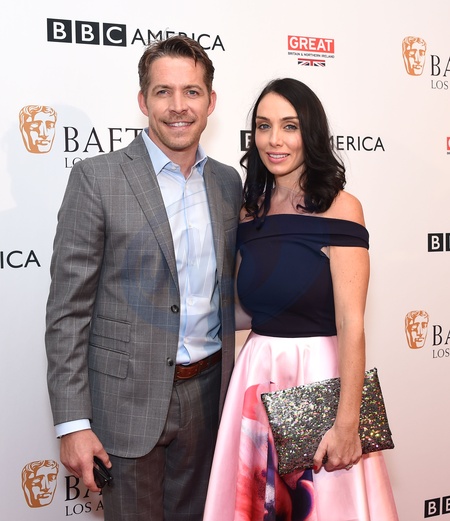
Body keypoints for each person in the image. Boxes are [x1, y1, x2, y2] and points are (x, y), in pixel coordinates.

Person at [45, 35, 242, 521]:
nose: (178, 106)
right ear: (142, 100)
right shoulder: (97, 179)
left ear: (211, 101)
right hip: (126, 404)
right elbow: (68, 311)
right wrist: (72, 423)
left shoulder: (227, 182)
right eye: (163, 92)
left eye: (192, 91)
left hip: (209, 398)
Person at [203, 78, 398, 520]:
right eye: (264, 126)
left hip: (320, 376)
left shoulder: (342, 207)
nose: (275, 140)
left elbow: (351, 322)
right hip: (256, 375)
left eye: (289, 126)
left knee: (322, 506)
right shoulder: (249, 211)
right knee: (257, 503)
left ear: (310, 133)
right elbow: (246, 309)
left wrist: (347, 423)